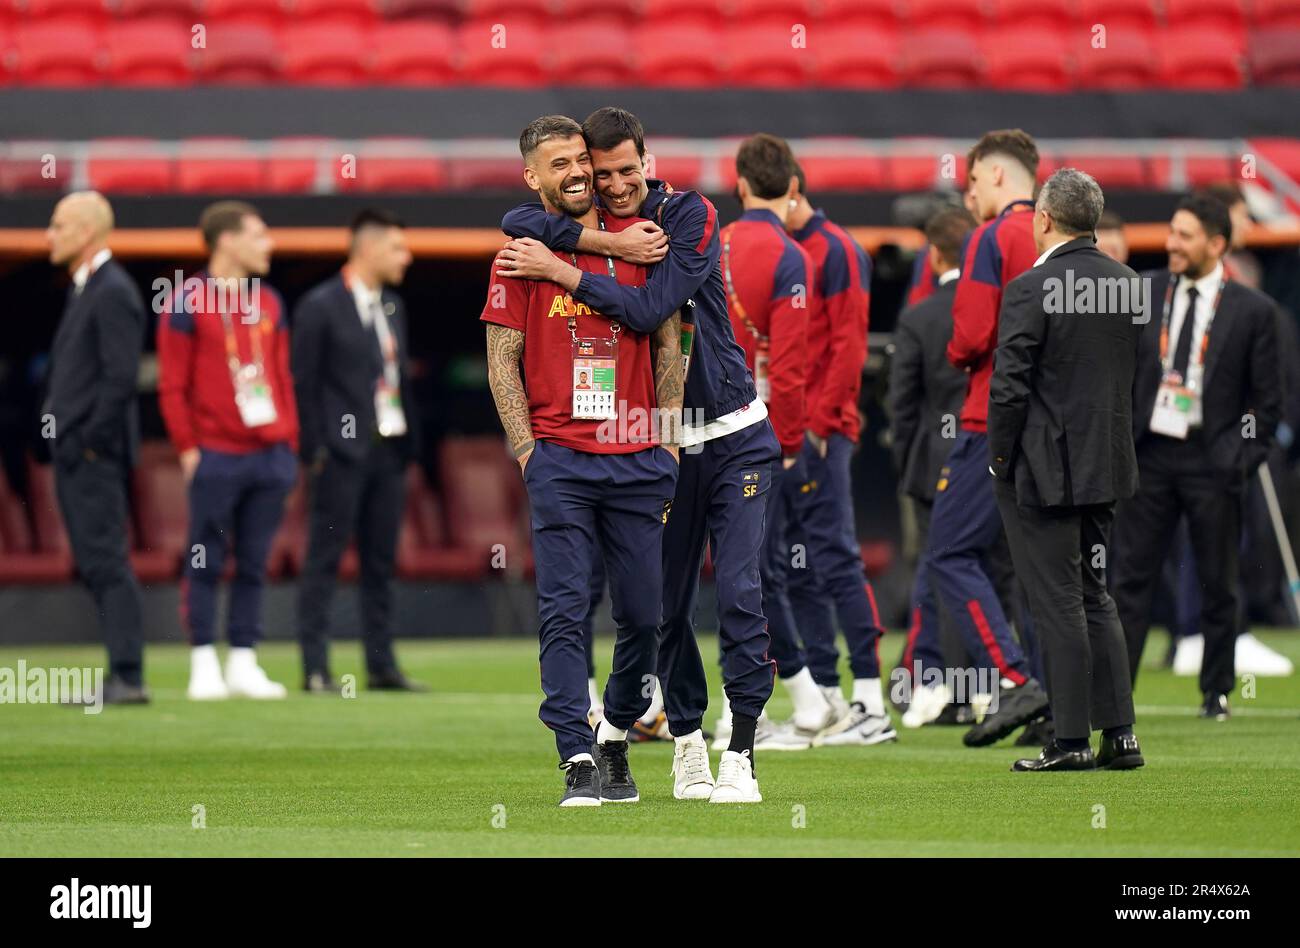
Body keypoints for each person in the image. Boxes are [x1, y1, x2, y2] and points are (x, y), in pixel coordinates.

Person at [497, 107, 779, 804]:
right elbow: (519, 220)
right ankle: (678, 740)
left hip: (734, 434)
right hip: (669, 441)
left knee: (740, 594)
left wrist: (565, 272)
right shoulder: (602, 229)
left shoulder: (686, 218)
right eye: (603, 171)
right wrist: (590, 243)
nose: (616, 183)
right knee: (663, 611)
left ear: (649, 162)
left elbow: (654, 313)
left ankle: (741, 750)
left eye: (628, 169)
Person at [483, 115, 682, 807]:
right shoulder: (516, 250)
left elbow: (665, 347)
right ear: (532, 176)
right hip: (561, 457)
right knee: (564, 608)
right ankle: (575, 751)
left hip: (637, 454)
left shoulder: (639, 238)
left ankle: (617, 733)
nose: (575, 172)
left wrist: (668, 441)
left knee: (643, 615)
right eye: (557, 163)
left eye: (580, 160)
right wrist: (526, 452)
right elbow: (501, 360)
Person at [989, 168, 1145, 772]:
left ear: (1045, 218)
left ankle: (1072, 740)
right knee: (1095, 596)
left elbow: (1009, 389)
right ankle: (1121, 736)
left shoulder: (1032, 287)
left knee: (1057, 602)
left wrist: (1000, 460)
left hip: (1043, 471)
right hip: (1105, 462)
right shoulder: (1128, 284)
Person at [1112, 194, 1282, 720]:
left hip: (1214, 459)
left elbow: (1268, 400)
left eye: (1184, 236)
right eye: (1171, 232)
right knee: (1129, 580)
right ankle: (1117, 696)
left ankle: (1217, 691)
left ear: (1216, 243)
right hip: (1152, 456)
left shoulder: (1255, 310)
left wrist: (1241, 456)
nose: (1170, 244)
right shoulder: (1145, 292)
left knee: (1217, 581)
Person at [931, 129, 1051, 746]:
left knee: (950, 552)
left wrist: (959, 351)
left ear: (999, 177)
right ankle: (1060, 703)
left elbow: (969, 337)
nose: (968, 192)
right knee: (1040, 569)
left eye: (973, 180)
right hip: (1052, 423)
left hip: (987, 420)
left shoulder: (989, 237)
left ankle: (1013, 677)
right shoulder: (1058, 237)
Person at [771, 160, 896, 747]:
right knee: (795, 563)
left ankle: (871, 701)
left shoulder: (838, 249)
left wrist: (818, 426)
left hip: (820, 431)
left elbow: (849, 345)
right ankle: (825, 698)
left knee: (836, 557)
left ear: (793, 191)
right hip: (784, 432)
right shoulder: (784, 248)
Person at [157, 201, 297, 701]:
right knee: (205, 557)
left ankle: (243, 659)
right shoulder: (185, 301)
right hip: (215, 453)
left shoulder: (272, 302)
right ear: (228, 241)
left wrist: (290, 444)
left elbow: (281, 377)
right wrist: (188, 449)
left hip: (270, 452)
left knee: (256, 560)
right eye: (259, 235)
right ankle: (202, 662)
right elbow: (172, 386)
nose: (269, 245)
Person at [292, 209, 425, 694]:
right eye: (396, 247)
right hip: (340, 455)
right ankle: (314, 667)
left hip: (388, 450)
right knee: (324, 559)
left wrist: (411, 445)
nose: (405, 257)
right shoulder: (320, 306)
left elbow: (397, 378)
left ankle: (381, 664)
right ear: (367, 250)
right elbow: (303, 385)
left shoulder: (393, 306)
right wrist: (315, 451)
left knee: (380, 562)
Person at [43, 191, 148, 704]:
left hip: (94, 456)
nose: (50, 235)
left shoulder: (112, 291)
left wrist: (89, 443)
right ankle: (120, 673)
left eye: (59, 225)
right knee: (98, 560)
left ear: (86, 232)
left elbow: (120, 378)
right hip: (77, 453)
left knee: (107, 559)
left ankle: (128, 675)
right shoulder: (87, 289)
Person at [889, 206, 977, 727]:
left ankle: (935, 683)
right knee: (988, 574)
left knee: (937, 569)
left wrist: (909, 464)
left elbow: (902, 406)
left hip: (932, 464)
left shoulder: (919, 316)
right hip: (990, 457)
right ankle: (989, 685)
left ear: (936, 253)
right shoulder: (1003, 308)